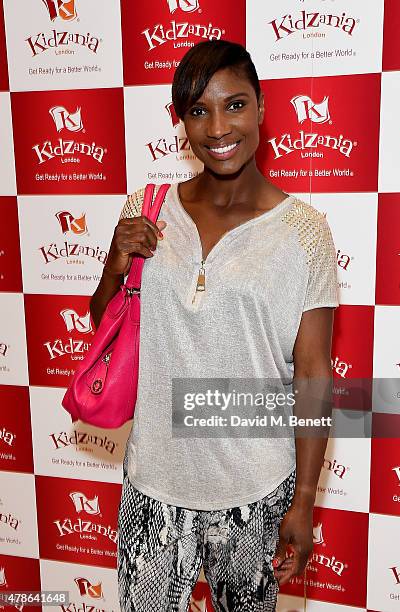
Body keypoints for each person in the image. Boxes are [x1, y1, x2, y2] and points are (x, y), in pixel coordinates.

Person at [90, 40, 339, 612]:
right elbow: (107, 327)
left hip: (255, 492)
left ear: (261, 108)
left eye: (235, 104)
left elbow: (313, 373)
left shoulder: (305, 231)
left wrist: (303, 499)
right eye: (198, 110)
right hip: (153, 486)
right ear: (182, 121)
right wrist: (114, 265)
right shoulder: (147, 207)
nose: (219, 127)